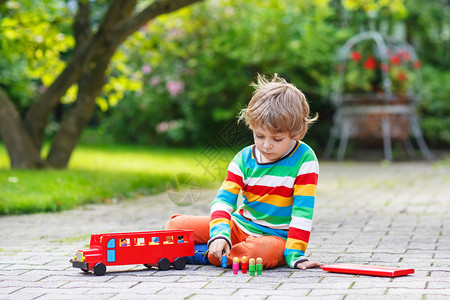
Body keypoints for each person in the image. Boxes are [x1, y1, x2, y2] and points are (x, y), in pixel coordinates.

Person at [166, 74, 323, 270]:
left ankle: (202, 255)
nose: (266, 145)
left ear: (297, 133)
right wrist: (220, 234)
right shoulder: (244, 158)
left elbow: (303, 211)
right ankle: (214, 246)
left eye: (277, 139)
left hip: (275, 239)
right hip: (240, 226)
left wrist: (295, 254)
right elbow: (224, 201)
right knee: (176, 226)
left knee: (258, 253)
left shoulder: (304, 159)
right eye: (259, 135)